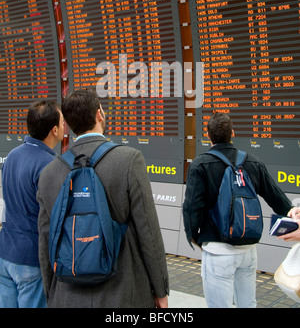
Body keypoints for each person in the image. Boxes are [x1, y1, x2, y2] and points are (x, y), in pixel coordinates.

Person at [37, 89, 169, 308]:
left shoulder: (49, 174)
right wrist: (161, 290)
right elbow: (149, 232)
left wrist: (52, 293)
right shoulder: (128, 160)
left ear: (68, 126)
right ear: (100, 114)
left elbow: (45, 242)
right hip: (124, 293)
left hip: (67, 295)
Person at [183, 112, 295, 308]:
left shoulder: (200, 164)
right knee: (247, 304)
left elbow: (192, 209)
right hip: (248, 250)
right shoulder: (252, 162)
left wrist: (195, 237)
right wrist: (292, 213)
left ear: (208, 135)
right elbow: (279, 201)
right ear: (232, 133)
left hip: (217, 250)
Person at [0, 99, 64, 308]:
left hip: (6, 253)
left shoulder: (12, 156)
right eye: (63, 122)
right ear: (54, 130)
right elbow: (56, 216)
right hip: (31, 260)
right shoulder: (50, 165)